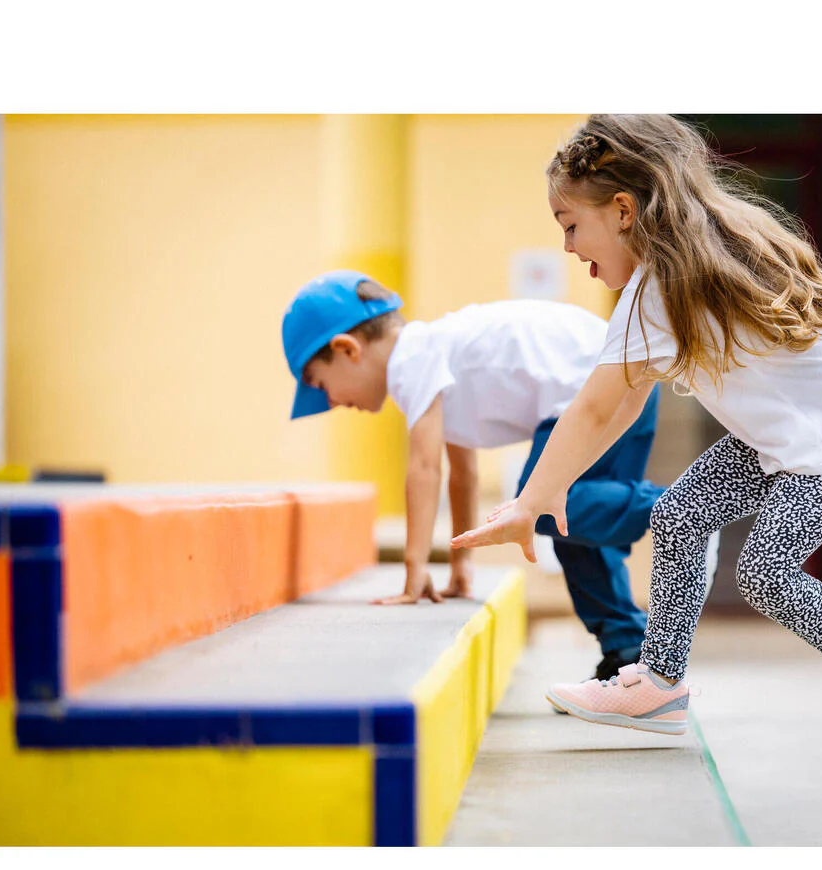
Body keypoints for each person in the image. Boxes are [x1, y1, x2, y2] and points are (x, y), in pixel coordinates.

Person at [451, 114, 822, 790]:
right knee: (680, 515)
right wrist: (551, 487)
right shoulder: (684, 264)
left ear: (623, 211)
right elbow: (622, 402)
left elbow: (596, 406)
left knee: (766, 573)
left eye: (570, 224)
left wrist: (529, 502)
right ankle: (659, 683)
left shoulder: (658, 288)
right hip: (790, 434)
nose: (566, 246)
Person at [281, 269, 699, 682]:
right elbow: (462, 475)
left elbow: (425, 469)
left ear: (347, 349)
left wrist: (415, 570)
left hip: (600, 391)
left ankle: (686, 508)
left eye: (320, 383)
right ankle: (626, 649)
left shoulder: (411, 360)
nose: (331, 401)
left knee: (536, 504)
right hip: (624, 385)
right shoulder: (436, 356)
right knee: (572, 526)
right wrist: (461, 564)